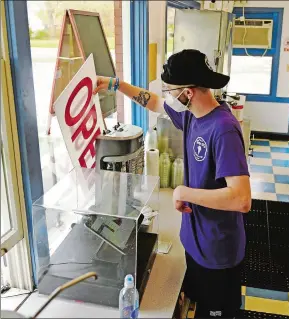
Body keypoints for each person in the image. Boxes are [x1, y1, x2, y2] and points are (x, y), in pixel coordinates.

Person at [94, 49, 251, 318]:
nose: (167, 94)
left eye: (171, 89)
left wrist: (184, 191)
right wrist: (115, 84)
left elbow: (241, 198)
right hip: (195, 241)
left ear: (188, 92)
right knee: (198, 304)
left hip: (217, 250)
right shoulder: (192, 115)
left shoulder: (223, 129)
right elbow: (153, 102)